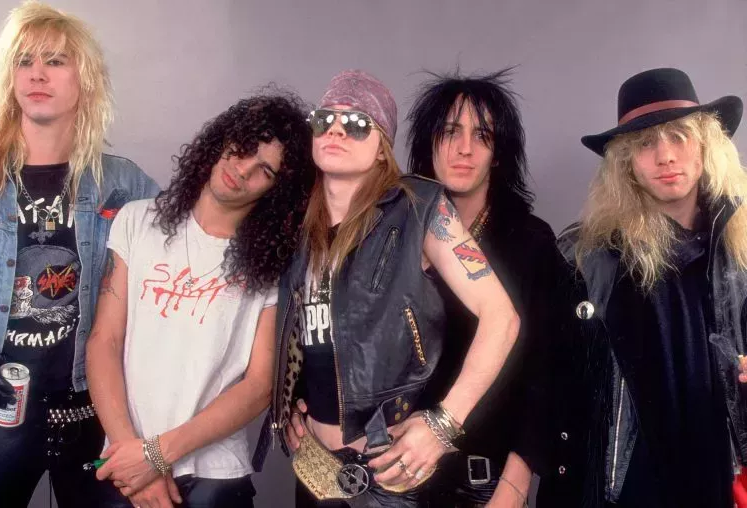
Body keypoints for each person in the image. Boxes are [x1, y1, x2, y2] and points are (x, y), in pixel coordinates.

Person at [252, 69, 520, 507]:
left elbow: (502, 318)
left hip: (390, 472)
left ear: (382, 148)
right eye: (325, 119)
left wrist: (443, 424)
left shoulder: (417, 207)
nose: (337, 130)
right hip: (317, 470)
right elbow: (316, 336)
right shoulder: (298, 225)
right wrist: (293, 402)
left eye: (357, 124)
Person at [0, 2, 159, 506]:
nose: (37, 73)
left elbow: (181, 267)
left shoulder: (125, 184)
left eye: (56, 60)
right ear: (8, 79)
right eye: (24, 61)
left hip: (96, 416)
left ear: (85, 80)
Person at [87, 92, 316, 508]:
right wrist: (133, 455)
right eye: (243, 147)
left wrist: (156, 455)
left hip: (215, 477)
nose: (242, 170)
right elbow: (104, 340)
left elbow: (260, 385)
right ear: (222, 139)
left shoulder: (274, 264)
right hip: (123, 462)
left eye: (264, 170)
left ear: (277, 189)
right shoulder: (137, 220)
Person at [559, 67, 747, 507]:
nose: (665, 156)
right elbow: (557, 386)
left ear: (706, 145)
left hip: (721, 479)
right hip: (629, 487)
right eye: (645, 143)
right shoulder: (587, 259)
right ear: (625, 163)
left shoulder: (739, 248)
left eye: (680, 136)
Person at [407, 69, 564, 507]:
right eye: (449, 132)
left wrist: (515, 484)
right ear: (428, 144)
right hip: (394, 477)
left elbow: (548, 371)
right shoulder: (395, 232)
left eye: (482, 135)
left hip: (484, 482)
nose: (465, 148)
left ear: (498, 153)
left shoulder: (530, 242)